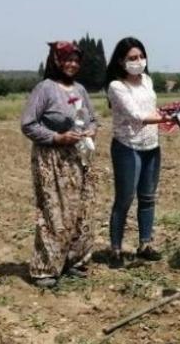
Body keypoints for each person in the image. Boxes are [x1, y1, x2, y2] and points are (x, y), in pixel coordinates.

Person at [20, 41, 98, 288]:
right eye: (67, 59)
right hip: (52, 159)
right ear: (56, 61)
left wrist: (91, 131)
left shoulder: (80, 89)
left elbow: (92, 118)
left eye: (76, 60)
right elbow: (28, 124)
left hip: (79, 157)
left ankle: (74, 260)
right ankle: (45, 268)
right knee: (54, 212)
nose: (72, 64)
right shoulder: (45, 88)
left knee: (81, 210)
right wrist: (57, 137)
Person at [104, 37, 169, 269]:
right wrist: (171, 117)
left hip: (151, 145)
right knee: (125, 198)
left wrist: (169, 114)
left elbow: (151, 109)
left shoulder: (147, 81)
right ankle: (116, 249)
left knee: (148, 197)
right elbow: (136, 115)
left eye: (141, 56)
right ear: (121, 62)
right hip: (127, 146)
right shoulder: (116, 86)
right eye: (132, 58)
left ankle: (145, 244)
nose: (138, 61)